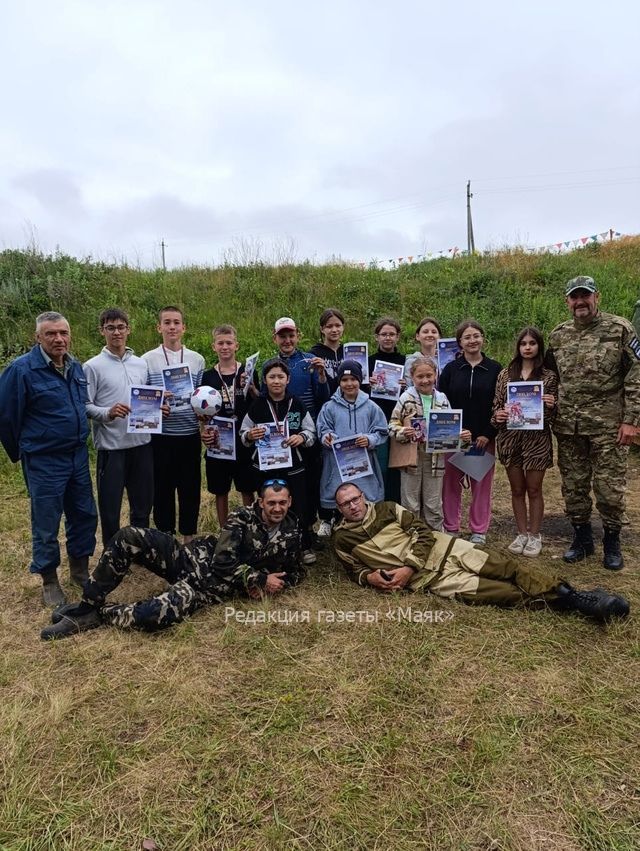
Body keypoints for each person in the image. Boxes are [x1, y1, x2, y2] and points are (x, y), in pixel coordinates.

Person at [41, 481, 304, 639]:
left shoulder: (293, 532)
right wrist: (258, 578)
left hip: (203, 590)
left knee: (153, 615)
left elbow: (297, 570)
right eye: (271, 503)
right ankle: (87, 606)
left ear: (290, 501)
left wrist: (277, 583)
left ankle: (99, 615)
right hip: (187, 559)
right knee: (129, 535)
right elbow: (223, 562)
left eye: (282, 502)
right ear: (261, 502)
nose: (277, 508)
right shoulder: (242, 517)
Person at [332, 483, 629, 622]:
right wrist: (368, 577)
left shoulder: (387, 508)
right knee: (503, 595)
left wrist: (408, 566)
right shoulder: (343, 538)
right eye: (346, 504)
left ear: (364, 496)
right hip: (431, 581)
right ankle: (570, 603)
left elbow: (423, 532)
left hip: (446, 550)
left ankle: (577, 596)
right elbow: (352, 570)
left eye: (356, 498)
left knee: (508, 569)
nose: (353, 505)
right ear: (340, 509)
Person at [0, 311, 98, 606]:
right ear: (38, 337)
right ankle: (50, 580)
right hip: (44, 460)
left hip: (77, 455)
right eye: (51, 334)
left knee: (84, 514)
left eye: (63, 333)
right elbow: (6, 416)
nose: (59, 339)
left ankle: (80, 571)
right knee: (46, 521)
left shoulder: (75, 367)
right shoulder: (21, 370)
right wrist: (24, 451)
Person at [545, 276, 640, 569]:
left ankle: (612, 542)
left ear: (596, 297)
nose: (580, 302)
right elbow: (550, 378)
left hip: (608, 426)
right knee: (573, 486)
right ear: (567, 301)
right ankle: (582, 539)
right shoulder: (558, 335)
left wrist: (631, 421)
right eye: (574, 297)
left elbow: (636, 376)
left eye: (585, 296)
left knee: (610, 488)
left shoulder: (619, 329)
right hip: (569, 426)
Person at [83, 308, 155, 547]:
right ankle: (112, 555)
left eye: (121, 327)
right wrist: (108, 412)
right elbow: (84, 406)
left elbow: (147, 399)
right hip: (111, 448)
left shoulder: (140, 363)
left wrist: (158, 411)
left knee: (142, 505)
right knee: (110, 508)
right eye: (110, 327)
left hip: (141, 445)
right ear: (101, 331)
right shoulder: (92, 366)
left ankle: (140, 551)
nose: (116, 332)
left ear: (128, 329)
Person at [240, 358, 317, 564]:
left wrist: (302, 437)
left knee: (298, 506)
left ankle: (303, 546)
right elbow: (243, 432)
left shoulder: (297, 404)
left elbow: (311, 430)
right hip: (265, 467)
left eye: (280, 377)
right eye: (271, 377)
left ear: (288, 379)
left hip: (293, 466)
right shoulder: (257, 405)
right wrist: (250, 435)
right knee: (268, 506)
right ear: (265, 380)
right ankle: (266, 545)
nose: (276, 381)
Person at [491, 328, 558, 557]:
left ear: (539, 346)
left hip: (537, 441)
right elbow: (496, 407)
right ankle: (521, 533)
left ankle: (535, 535)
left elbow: (553, 417)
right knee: (517, 489)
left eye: (532, 343)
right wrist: (499, 415)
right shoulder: (505, 375)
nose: (527, 347)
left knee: (534, 489)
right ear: (518, 347)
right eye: (523, 343)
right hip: (511, 440)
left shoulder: (548, 377)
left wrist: (550, 405)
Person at [143, 306, 205, 543]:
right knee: (162, 489)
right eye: (167, 322)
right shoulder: (146, 360)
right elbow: (141, 402)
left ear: (183, 327)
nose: (172, 327)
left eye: (176, 322)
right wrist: (156, 404)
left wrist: (202, 415)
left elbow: (201, 398)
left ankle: (189, 537)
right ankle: (165, 538)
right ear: (159, 327)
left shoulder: (196, 359)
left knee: (190, 489)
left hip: (189, 434)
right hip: (161, 436)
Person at [390, 356, 471, 531]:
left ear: (436, 375)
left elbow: (450, 428)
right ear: (412, 377)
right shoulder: (406, 398)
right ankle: (411, 536)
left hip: (436, 459)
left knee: (433, 502)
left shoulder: (442, 399)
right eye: (420, 377)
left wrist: (462, 437)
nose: (425, 380)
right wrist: (404, 432)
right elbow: (391, 425)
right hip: (411, 458)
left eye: (429, 375)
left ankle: (435, 537)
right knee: (410, 502)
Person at [438, 320, 502, 544]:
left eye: (476, 335)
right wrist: (454, 431)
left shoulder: (495, 369)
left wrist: (487, 433)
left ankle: (478, 530)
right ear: (459, 343)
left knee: (481, 485)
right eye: (467, 337)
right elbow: (441, 402)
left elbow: (500, 405)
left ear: (483, 338)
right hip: (454, 438)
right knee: (450, 484)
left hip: (482, 439)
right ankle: (451, 527)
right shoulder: (450, 369)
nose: (472, 340)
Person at [316, 360, 388, 521]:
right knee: (340, 497)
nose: (349, 384)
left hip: (364, 464)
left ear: (360, 380)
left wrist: (369, 440)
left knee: (365, 499)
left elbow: (382, 431)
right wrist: (327, 438)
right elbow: (323, 429)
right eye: (344, 380)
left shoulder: (371, 407)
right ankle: (335, 525)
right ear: (339, 382)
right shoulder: (329, 407)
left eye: (353, 379)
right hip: (337, 464)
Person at [200, 324, 256, 528]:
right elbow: (202, 413)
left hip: (243, 441)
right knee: (220, 490)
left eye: (229, 343)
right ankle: (225, 532)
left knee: (247, 488)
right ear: (213, 346)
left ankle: (249, 529)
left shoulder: (248, 371)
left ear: (237, 346)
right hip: (219, 442)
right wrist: (204, 434)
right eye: (220, 343)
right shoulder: (207, 377)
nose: (225, 347)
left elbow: (257, 403)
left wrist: (250, 387)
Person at [367, 317, 406, 503]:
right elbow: (359, 391)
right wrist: (368, 383)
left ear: (398, 337)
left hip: (398, 419)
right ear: (376, 337)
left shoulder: (404, 361)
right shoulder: (368, 362)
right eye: (384, 334)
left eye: (392, 334)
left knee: (397, 465)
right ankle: (379, 502)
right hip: (377, 420)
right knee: (379, 464)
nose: (388, 338)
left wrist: (405, 386)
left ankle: (395, 503)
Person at [310, 308, 345, 394]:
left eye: (338, 325)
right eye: (329, 326)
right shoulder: (314, 353)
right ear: (322, 329)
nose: (334, 330)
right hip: (325, 403)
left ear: (343, 327)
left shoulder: (349, 351)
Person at [404, 317, 443, 387]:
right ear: (417, 336)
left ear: (439, 336)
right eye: (425, 332)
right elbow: (409, 388)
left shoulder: (446, 361)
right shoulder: (411, 362)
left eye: (434, 332)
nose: (430, 334)